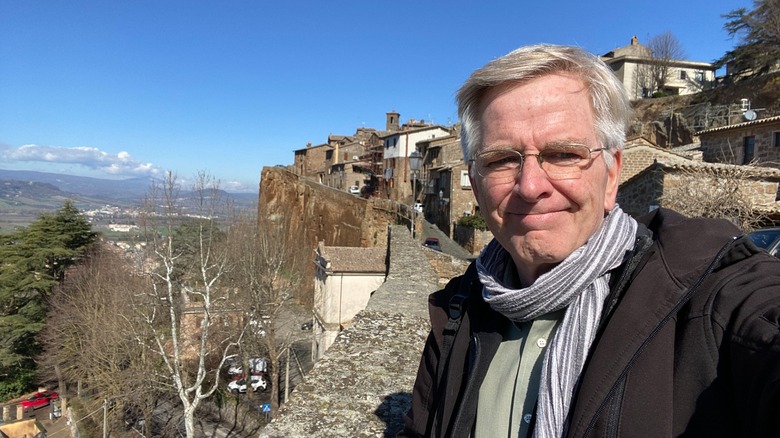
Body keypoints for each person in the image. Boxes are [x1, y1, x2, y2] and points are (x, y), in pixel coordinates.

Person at [400, 44, 780, 438]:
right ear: (476, 186)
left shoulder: (707, 296)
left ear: (611, 175)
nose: (530, 187)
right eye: (501, 160)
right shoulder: (457, 311)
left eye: (563, 154)